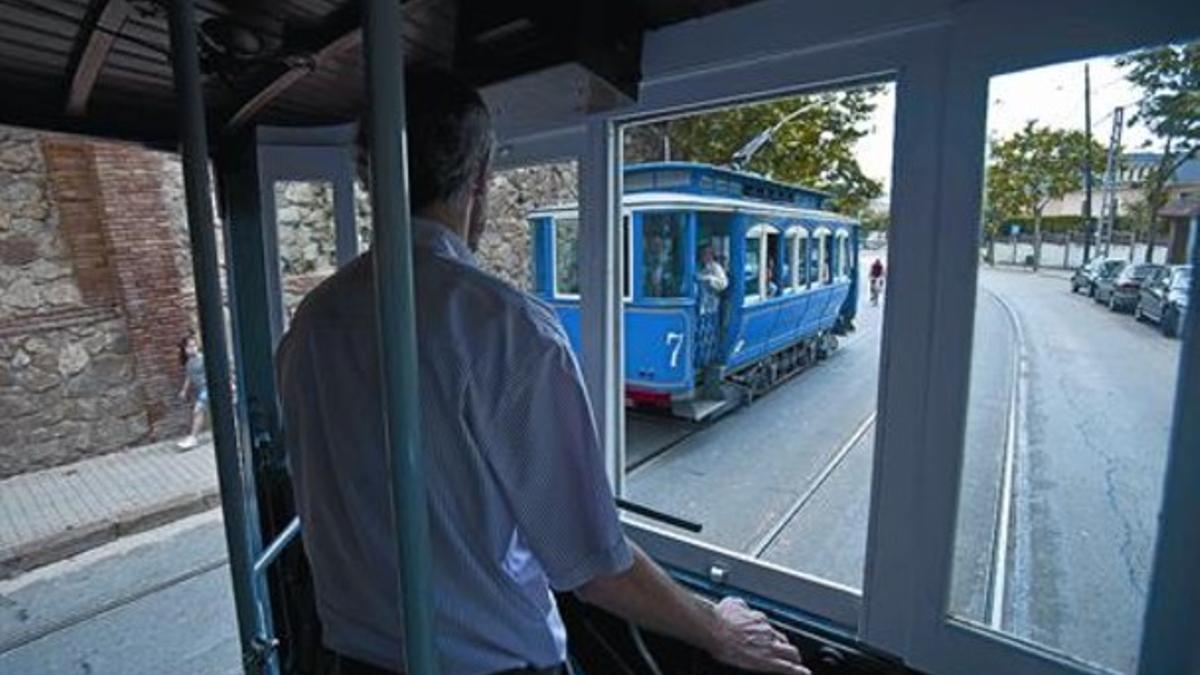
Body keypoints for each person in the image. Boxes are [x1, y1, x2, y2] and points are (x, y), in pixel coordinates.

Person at [276, 69, 809, 675]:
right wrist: (719, 631)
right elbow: (592, 567)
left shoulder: (313, 320)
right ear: (480, 179)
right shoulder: (505, 328)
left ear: (366, 176)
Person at [696, 244, 728, 397]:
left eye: (707, 254)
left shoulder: (716, 268)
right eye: (703, 254)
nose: (705, 257)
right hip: (702, 307)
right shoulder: (700, 267)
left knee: (709, 334)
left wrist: (708, 280)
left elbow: (723, 284)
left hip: (711, 307)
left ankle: (707, 360)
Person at [177, 334, 207, 449]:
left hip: (207, 389)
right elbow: (189, 377)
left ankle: (193, 438)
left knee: (198, 410)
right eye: (189, 347)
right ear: (184, 349)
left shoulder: (202, 359)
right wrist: (184, 390)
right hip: (200, 390)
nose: (192, 349)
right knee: (199, 412)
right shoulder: (189, 362)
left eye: (194, 346)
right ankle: (193, 437)